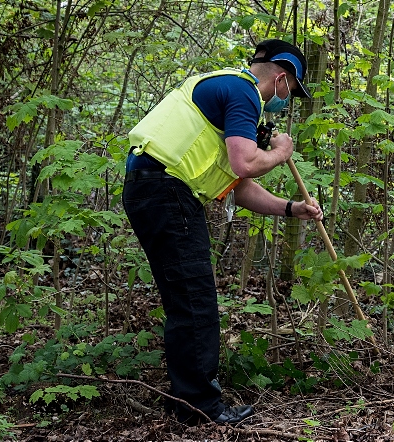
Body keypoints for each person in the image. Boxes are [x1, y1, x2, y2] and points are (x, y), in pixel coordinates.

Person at [122, 39, 323, 425]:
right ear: (282, 78)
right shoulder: (243, 90)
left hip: (155, 189)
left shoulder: (224, 98)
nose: (288, 100)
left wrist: (290, 208)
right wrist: (281, 153)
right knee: (196, 300)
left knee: (186, 300)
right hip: (166, 191)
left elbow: (238, 185)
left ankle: (187, 401)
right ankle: (201, 408)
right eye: (292, 92)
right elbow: (246, 162)